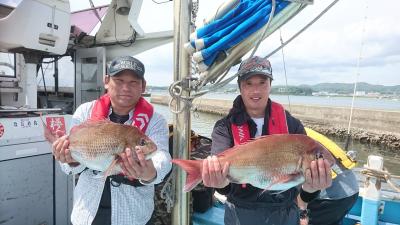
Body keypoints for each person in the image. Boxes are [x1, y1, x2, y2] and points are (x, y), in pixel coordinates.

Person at [201, 56, 332, 225]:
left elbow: (303, 194)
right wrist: (217, 181)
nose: (256, 90)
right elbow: (225, 188)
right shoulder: (224, 127)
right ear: (240, 87)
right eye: (249, 83)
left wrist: (313, 187)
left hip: (284, 214)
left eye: (262, 82)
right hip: (240, 214)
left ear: (270, 85)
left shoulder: (292, 125)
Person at [51, 56, 172, 225]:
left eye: (133, 82)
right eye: (119, 80)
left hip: (134, 215)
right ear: (107, 81)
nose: (125, 88)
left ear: (143, 86)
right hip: (86, 213)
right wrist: (68, 160)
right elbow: (67, 167)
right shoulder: (85, 112)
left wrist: (150, 173)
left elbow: (163, 158)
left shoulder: (156, 120)